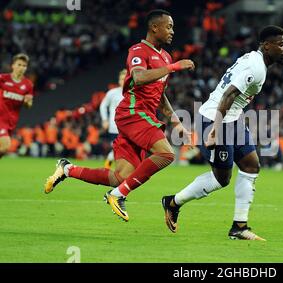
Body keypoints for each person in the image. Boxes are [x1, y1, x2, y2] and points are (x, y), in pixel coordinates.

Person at [44, 9, 195, 222]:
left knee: (120, 177)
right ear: (154, 27)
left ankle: (67, 169)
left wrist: (176, 122)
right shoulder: (138, 50)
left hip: (143, 115)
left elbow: (160, 95)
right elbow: (140, 77)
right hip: (132, 113)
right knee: (167, 154)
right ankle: (118, 195)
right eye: (168, 26)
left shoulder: (165, 56)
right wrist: (173, 67)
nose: (172, 31)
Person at [161, 25, 283, 241]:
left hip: (233, 118)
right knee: (222, 179)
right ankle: (173, 202)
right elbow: (228, 96)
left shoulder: (255, 60)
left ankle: (239, 226)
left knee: (251, 166)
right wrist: (214, 132)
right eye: (281, 44)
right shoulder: (256, 67)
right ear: (266, 46)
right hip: (214, 119)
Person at [0, 53, 34, 158]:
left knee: (3, 150)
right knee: (5, 146)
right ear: (13, 66)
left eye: (24, 66)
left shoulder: (28, 85)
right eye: (19, 64)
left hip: (12, 122)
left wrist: (27, 102)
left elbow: (29, 105)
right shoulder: (3, 78)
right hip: (1, 119)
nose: (21, 68)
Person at [99, 69, 126, 169]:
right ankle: (109, 167)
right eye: (121, 79)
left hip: (129, 127)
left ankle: (109, 167)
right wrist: (105, 119)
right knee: (117, 148)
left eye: (125, 78)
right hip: (115, 127)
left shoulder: (132, 93)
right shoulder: (112, 93)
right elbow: (103, 105)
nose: (122, 81)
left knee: (123, 149)